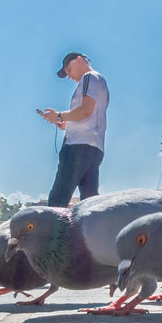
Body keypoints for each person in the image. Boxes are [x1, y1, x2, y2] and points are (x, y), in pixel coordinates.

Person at [41, 52, 110, 208]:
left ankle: (50, 232)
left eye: (69, 70)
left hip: (77, 147)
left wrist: (58, 116)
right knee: (89, 206)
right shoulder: (101, 81)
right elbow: (92, 117)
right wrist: (65, 124)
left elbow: (86, 110)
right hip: (95, 149)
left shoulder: (88, 77)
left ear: (80, 60)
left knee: (57, 202)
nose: (69, 76)